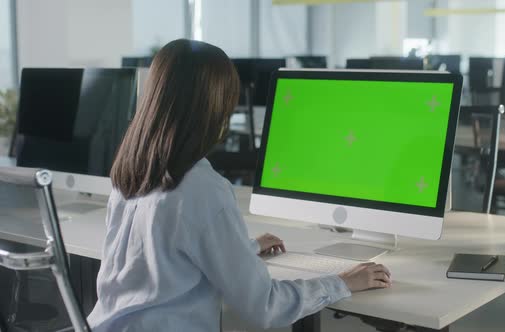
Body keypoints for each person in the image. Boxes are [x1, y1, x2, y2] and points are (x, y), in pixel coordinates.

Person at [87, 39, 391, 331]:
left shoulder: (131, 171)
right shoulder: (201, 188)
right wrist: (343, 282)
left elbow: (164, 258)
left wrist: (244, 249)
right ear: (215, 108)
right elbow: (264, 305)